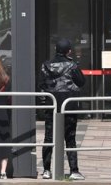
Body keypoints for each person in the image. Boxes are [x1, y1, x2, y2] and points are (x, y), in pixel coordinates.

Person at [39, 38, 86, 181]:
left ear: (55, 49)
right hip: (69, 106)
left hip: (52, 106)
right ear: (69, 51)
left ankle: (46, 170)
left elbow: (41, 84)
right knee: (70, 138)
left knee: (48, 138)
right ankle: (74, 171)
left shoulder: (46, 65)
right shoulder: (72, 65)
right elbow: (81, 82)